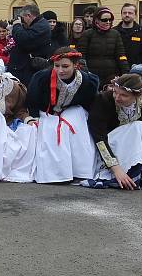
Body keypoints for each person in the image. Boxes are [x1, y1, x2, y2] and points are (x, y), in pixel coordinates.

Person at [83, 73, 142, 189]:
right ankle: (121, 174)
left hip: (131, 146)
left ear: (137, 95)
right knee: (137, 127)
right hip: (108, 148)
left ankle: (138, 170)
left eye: (124, 95)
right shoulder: (103, 99)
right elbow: (99, 137)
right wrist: (115, 169)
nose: (117, 97)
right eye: (115, 92)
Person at [27, 47, 100, 183]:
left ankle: (80, 170)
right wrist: (34, 118)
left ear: (75, 65)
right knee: (51, 132)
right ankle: (56, 174)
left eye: (65, 66)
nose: (60, 70)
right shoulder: (42, 78)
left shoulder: (87, 81)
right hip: (47, 112)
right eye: (57, 66)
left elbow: (90, 103)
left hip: (72, 109)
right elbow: (32, 101)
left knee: (75, 126)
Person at [78, 7, 129, 88]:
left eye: (110, 19)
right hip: (92, 75)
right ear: (97, 20)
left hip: (111, 74)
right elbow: (81, 55)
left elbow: (121, 54)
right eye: (104, 20)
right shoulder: (87, 34)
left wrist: (125, 72)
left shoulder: (115, 34)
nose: (108, 22)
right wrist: (85, 72)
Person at [8, 4, 53, 86]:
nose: (22, 20)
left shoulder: (41, 26)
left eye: (23, 17)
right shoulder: (39, 24)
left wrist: (17, 25)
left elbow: (24, 39)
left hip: (29, 69)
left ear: (28, 15)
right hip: (26, 67)